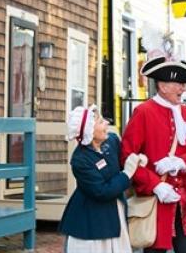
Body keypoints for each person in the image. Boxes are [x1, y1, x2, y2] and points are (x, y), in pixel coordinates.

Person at [121, 55, 186, 253]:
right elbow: (127, 157)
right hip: (157, 201)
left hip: (185, 203)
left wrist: (181, 162)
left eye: (185, 84)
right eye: (179, 83)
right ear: (163, 85)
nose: (184, 89)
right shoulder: (143, 112)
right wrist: (156, 185)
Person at [58, 104, 146, 253]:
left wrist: (136, 159)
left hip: (113, 212)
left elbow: (124, 158)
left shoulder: (111, 141)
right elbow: (101, 191)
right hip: (90, 220)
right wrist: (127, 173)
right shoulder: (80, 160)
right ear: (89, 131)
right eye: (100, 122)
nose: (106, 123)